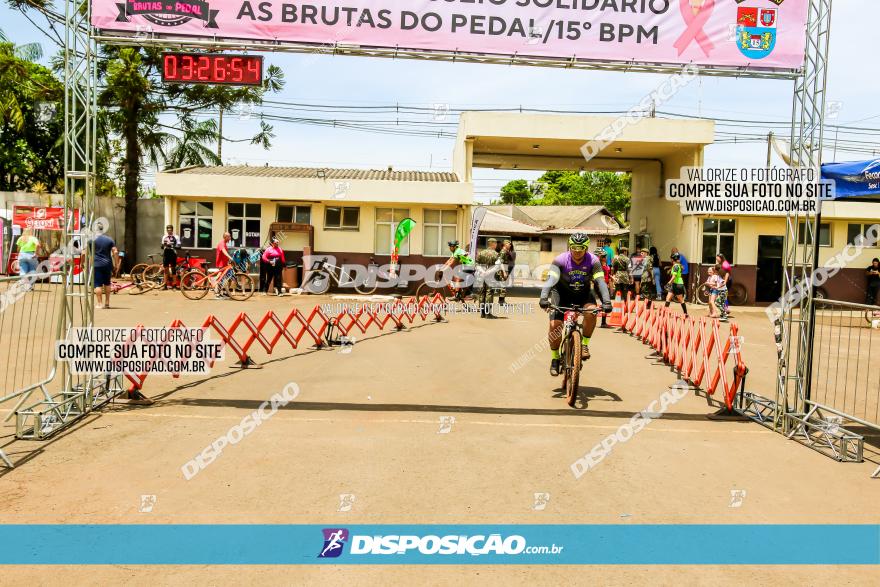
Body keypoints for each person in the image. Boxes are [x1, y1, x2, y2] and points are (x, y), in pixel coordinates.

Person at [539, 233, 613, 375]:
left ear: (586, 248)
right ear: (569, 247)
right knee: (555, 326)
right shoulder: (559, 260)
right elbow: (550, 280)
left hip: (583, 294)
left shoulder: (594, 261)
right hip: (561, 294)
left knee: (591, 312)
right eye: (574, 248)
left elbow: (600, 282)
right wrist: (543, 298)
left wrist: (607, 302)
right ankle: (555, 359)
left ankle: (584, 344)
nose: (577, 252)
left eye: (581, 248)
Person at [92, 229, 119, 310]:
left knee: (97, 284)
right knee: (107, 283)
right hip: (107, 264)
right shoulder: (109, 239)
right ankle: (107, 303)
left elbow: (84, 253)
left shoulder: (91, 240)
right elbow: (115, 252)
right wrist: (116, 264)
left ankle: (100, 304)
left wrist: (82, 263)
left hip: (96, 264)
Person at [476, 238, 500, 319]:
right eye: (496, 243)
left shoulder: (481, 253)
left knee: (482, 293)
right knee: (489, 293)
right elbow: (497, 267)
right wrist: (488, 272)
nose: (496, 245)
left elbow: (476, 264)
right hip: (490, 277)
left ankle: (482, 313)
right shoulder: (496, 254)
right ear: (492, 244)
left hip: (481, 276)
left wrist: (482, 271)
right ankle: (488, 313)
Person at [595, 248, 612, 328]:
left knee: (604, 303)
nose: (606, 258)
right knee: (605, 303)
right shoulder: (598, 266)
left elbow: (607, 275)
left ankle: (603, 322)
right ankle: (603, 322)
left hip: (605, 285)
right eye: (604, 256)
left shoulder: (604, 265)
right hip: (600, 286)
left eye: (605, 256)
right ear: (599, 257)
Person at [161, 225, 180, 290]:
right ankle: (165, 285)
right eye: (168, 230)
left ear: (172, 230)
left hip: (173, 254)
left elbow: (179, 246)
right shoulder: (164, 237)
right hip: (166, 253)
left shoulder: (176, 237)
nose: (169, 231)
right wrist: (164, 245)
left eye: (170, 230)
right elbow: (162, 246)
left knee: (173, 269)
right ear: (167, 230)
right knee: (166, 270)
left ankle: (174, 285)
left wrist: (172, 245)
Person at [497, 239, 516, 305]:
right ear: (505, 244)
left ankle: (501, 300)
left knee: (504, 285)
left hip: (505, 269)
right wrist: (504, 272)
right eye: (509, 244)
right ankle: (501, 301)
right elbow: (500, 262)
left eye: (510, 244)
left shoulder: (506, 251)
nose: (510, 245)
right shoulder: (503, 252)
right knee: (503, 285)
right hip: (503, 270)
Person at [214, 232, 233, 299]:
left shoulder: (224, 243)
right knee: (221, 279)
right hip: (221, 264)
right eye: (229, 236)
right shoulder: (221, 243)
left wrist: (228, 261)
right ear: (225, 237)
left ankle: (221, 291)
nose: (230, 238)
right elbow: (224, 252)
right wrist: (231, 258)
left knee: (224, 277)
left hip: (224, 264)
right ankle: (217, 294)